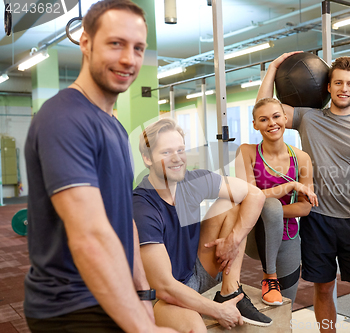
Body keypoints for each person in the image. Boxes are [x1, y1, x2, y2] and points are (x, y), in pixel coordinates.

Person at [23, 1, 177, 332]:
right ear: (86, 43)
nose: (128, 59)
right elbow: (89, 237)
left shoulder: (113, 126)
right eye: (115, 43)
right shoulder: (63, 118)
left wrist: (143, 295)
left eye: (138, 48)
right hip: (71, 307)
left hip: (114, 291)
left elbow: (125, 222)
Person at [257, 53, 350, 333]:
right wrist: (272, 68)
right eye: (338, 82)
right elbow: (264, 109)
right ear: (328, 87)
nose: (344, 89)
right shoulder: (308, 117)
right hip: (316, 219)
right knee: (324, 289)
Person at [133, 118, 273, 333]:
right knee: (196, 329)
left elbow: (255, 195)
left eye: (180, 150)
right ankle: (219, 302)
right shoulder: (142, 207)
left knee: (231, 202)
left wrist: (233, 240)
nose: (177, 158)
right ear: (147, 158)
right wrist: (218, 311)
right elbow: (164, 286)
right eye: (166, 152)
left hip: (195, 270)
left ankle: (230, 290)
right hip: (160, 294)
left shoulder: (192, 181)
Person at [236, 97, 318, 306]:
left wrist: (273, 214)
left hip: (287, 236)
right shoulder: (246, 152)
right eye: (263, 119)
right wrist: (289, 186)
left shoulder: (301, 158)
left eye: (276, 116)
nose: (272, 123)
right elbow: (249, 198)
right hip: (255, 234)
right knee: (270, 206)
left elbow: (305, 207)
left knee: (286, 305)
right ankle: (269, 277)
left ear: (284, 118)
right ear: (255, 125)